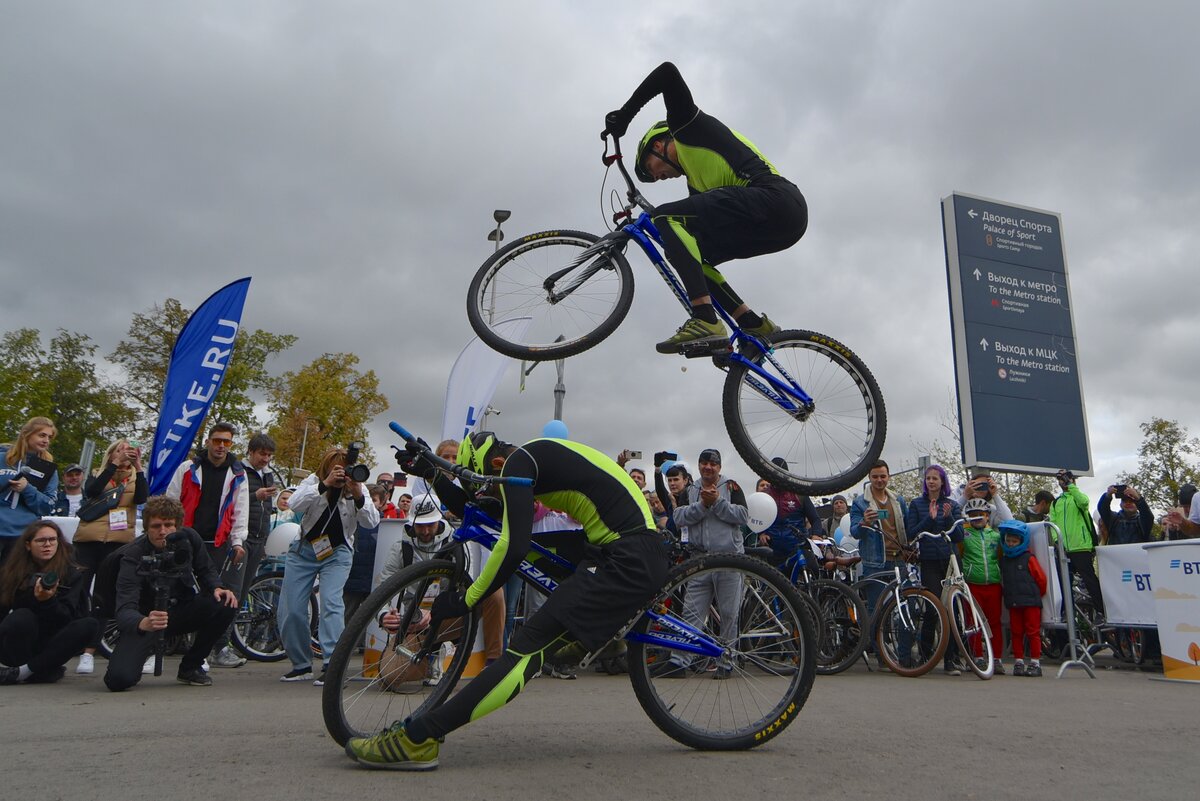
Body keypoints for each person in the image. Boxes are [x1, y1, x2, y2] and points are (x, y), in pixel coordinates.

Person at [346, 431, 669, 770]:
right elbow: (480, 511)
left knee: (524, 650)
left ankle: (419, 739)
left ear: (495, 464)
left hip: (626, 557)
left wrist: (468, 600)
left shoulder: (519, 463)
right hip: (618, 547)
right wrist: (433, 474)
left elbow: (512, 546)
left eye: (488, 482)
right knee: (536, 552)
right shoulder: (528, 460)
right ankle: (603, 631)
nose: (488, 491)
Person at [602, 62, 807, 355]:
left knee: (664, 216)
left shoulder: (686, 127)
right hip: (780, 223)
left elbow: (667, 73)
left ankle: (704, 319)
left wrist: (624, 116)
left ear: (659, 144)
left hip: (777, 198)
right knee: (693, 254)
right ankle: (751, 325)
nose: (658, 177)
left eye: (652, 167)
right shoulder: (697, 187)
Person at [102, 496, 238, 691]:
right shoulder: (132, 555)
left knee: (225, 601)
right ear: (146, 527)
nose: (163, 531)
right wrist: (143, 623)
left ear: (178, 526)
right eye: (156, 526)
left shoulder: (189, 539)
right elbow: (124, 608)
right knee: (118, 680)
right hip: (147, 620)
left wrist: (217, 587)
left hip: (180, 611)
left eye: (168, 525)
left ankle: (191, 667)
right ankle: (144, 651)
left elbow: (206, 570)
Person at [278, 446, 379, 686]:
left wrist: (358, 494)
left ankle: (333, 665)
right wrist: (325, 484)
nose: (343, 475)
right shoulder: (314, 481)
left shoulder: (358, 485)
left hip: (338, 553)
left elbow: (372, 521)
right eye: (338, 470)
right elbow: (294, 503)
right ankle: (301, 665)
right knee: (292, 609)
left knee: (332, 604)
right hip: (303, 552)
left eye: (346, 470)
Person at [654, 448, 748, 679]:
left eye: (713, 463)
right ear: (698, 465)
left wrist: (716, 502)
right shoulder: (692, 489)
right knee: (691, 613)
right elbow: (679, 517)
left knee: (728, 613)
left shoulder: (732, 487)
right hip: (699, 559)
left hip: (728, 560)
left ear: (719, 467)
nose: (708, 467)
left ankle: (726, 662)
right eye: (704, 462)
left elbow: (743, 516)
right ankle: (679, 662)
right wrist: (704, 505)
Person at [166, 422, 250, 669]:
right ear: (208, 442)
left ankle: (206, 651)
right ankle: (159, 645)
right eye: (217, 441)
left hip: (217, 543)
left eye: (226, 442)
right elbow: (171, 500)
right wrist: (169, 534)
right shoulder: (187, 468)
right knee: (177, 593)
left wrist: (237, 542)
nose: (221, 446)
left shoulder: (238, 474)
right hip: (185, 540)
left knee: (215, 596)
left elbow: (240, 509)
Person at [71, 439, 148, 675]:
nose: (125, 453)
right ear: (112, 453)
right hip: (89, 540)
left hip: (117, 542)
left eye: (129, 450)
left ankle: (89, 650)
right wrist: (112, 466)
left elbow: (142, 499)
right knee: (77, 590)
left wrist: (139, 467)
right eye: (120, 449)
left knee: (105, 596)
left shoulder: (135, 478)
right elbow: (92, 491)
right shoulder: (97, 473)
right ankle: (69, 640)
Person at [0, 520, 99, 684]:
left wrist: (48, 601)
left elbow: (67, 618)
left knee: (89, 624)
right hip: (19, 642)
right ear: (28, 545)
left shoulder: (71, 573)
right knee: (22, 616)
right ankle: (37, 671)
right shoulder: (12, 572)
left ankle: (26, 672)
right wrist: (32, 597)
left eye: (52, 540)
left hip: (52, 642)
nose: (47, 545)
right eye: (41, 540)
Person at [906, 464, 964, 675]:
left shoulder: (952, 505)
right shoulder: (916, 504)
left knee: (952, 610)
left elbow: (958, 536)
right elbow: (912, 533)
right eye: (928, 478)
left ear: (942, 482)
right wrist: (929, 519)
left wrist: (947, 517)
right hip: (929, 560)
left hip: (949, 561)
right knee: (933, 608)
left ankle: (951, 659)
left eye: (935, 478)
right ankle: (925, 655)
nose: (931, 481)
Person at [850, 460, 910, 615]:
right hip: (874, 562)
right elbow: (855, 532)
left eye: (883, 476)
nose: (879, 480)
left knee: (906, 605)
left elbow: (907, 527)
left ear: (888, 476)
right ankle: (873, 640)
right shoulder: (859, 503)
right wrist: (865, 522)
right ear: (869, 477)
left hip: (898, 559)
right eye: (875, 476)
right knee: (876, 608)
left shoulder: (898, 500)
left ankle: (903, 640)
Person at [1, 417, 59, 563]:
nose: (46, 440)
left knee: (12, 583)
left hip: (22, 536)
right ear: (26, 434)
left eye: (49, 437)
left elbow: (48, 506)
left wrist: (27, 489)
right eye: (41, 435)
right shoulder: (2, 459)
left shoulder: (48, 468)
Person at [1048, 469, 1104, 617]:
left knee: (1089, 578)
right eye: (1060, 480)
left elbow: (1084, 502)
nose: (1063, 482)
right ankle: (1067, 612)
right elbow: (1053, 523)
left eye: (1065, 478)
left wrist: (1071, 485)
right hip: (1064, 548)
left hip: (1081, 546)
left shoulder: (1078, 497)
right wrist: (1056, 540)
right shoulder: (1056, 503)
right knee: (1064, 582)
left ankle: (1101, 611)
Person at [959, 498, 1004, 674]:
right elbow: (960, 553)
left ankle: (997, 658)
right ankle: (977, 657)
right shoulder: (964, 535)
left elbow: (1000, 556)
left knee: (994, 623)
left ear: (987, 516)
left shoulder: (996, 535)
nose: (977, 518)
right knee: (974, 623)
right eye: (972, 515)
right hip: (973, 585)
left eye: (981, 514)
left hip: (993, 584)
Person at [998, 519, 1047, 677]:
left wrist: (1037, 595)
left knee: (1033, 632)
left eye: (1014, 541)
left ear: (1022, 541)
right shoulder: (1004, 560)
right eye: (1008, 541)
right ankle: (1018, 661)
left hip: (1031, 602)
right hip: (1013, 602)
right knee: (1016, 632)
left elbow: (1041, 579)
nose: (1011, 544)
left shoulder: (1029, 558)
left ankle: (1035, 662)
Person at [758, 457, 821, 566]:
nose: (778, 477)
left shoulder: (799, 493)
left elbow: (815, 519)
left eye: (781, 473)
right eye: (774, 473)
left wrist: (816, 534)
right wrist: (760, 533)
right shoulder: (764, 495)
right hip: (773, 549)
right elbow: (757, 519)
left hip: (797, 548)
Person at [343, 484, 387, 623]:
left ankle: (363, 645)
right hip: (351, 581)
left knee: (371, 622)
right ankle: (345, 645)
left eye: (374, 500)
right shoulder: (349, 522)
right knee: (347, 618)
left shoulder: (386, 526)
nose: (371, 503)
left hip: (373, 582)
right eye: (369, 499)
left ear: (381, 503)